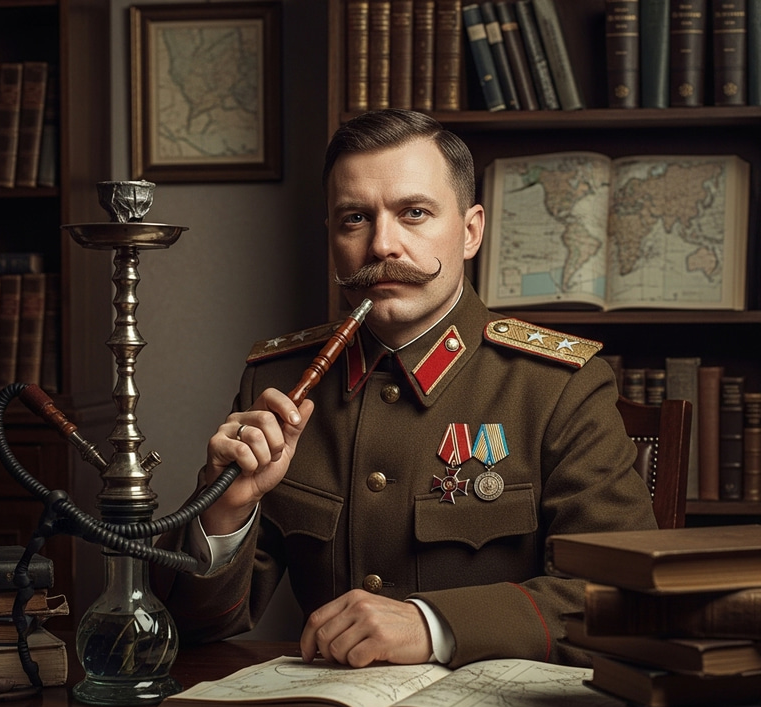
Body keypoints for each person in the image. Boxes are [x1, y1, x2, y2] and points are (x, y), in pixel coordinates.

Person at [152, 109, 658, 669]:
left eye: (413, 213)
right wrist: (224, 510)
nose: (382, 245)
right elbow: (192, 628)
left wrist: (432, 625)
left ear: (470, 232)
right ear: (332, 237)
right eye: (354, 219)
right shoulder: (277, 383)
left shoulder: (558, 385)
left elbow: (618, 598)